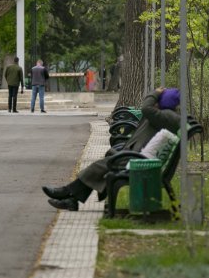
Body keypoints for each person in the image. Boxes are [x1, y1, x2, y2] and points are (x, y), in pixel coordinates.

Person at [42, 88, 182, 211]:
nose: (155, 102)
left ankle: (67, 192)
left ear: (164, 102)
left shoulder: (167, 116)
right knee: (103, 165)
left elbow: (145, 108)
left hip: (141, 162)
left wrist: (154, 93)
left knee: (100, 166)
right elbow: (146, 112)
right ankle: (71, 199)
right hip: (140, 157)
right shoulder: (166, 115)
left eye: (159, 100)